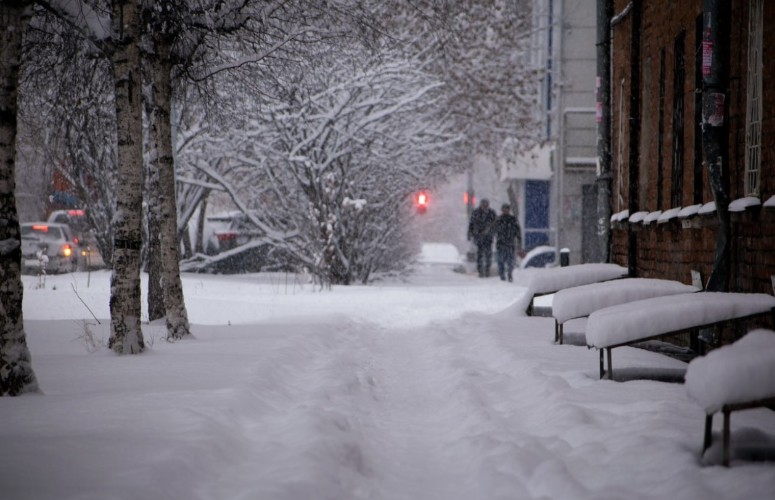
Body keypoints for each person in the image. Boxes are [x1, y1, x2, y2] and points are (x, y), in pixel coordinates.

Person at [467, 198, 497, 277]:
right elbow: (471, 224)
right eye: (483, 204)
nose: (484, 206)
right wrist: (470, 234)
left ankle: (487, 269)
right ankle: (480, 270)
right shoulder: (476, 213)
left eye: (486, 204)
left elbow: (496, 225)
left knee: (488, 254)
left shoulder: (492, 213)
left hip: (488, 237)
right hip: (479, 237)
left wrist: (493, 233)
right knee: (480, 254)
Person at [493, 203, 522, 282]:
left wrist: (519, 241)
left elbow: (517, 232)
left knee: (510, 262)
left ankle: (509, 274)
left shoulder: (513, 219)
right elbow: (493, 230)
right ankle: (502, 276)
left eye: (507, 209)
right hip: (501, 243)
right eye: (504, 209)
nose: (505, 210)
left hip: (510, 243)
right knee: (501, 262)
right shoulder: (498, 220)